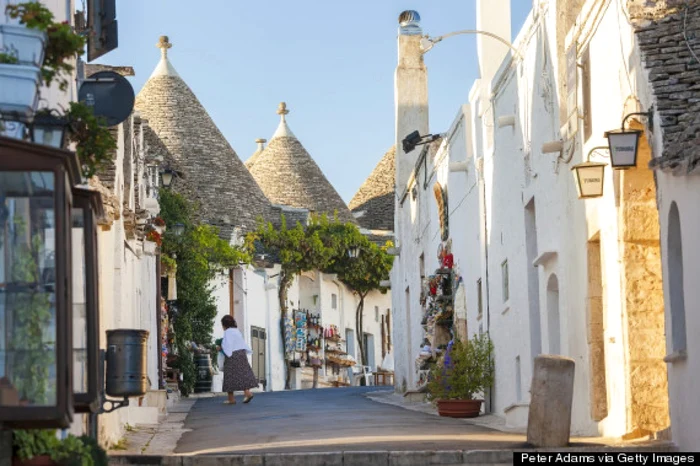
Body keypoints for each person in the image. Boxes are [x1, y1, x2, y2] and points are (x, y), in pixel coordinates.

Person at [217, 315, 257, 405]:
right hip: (241, 354)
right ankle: (247, 393)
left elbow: (227, 345)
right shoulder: (236, 331)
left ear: (224, 324)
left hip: (233, 355)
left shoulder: (227, 332)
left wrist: (220, 348)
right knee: (241, 374)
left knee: (229, 375)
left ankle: (231, 399)